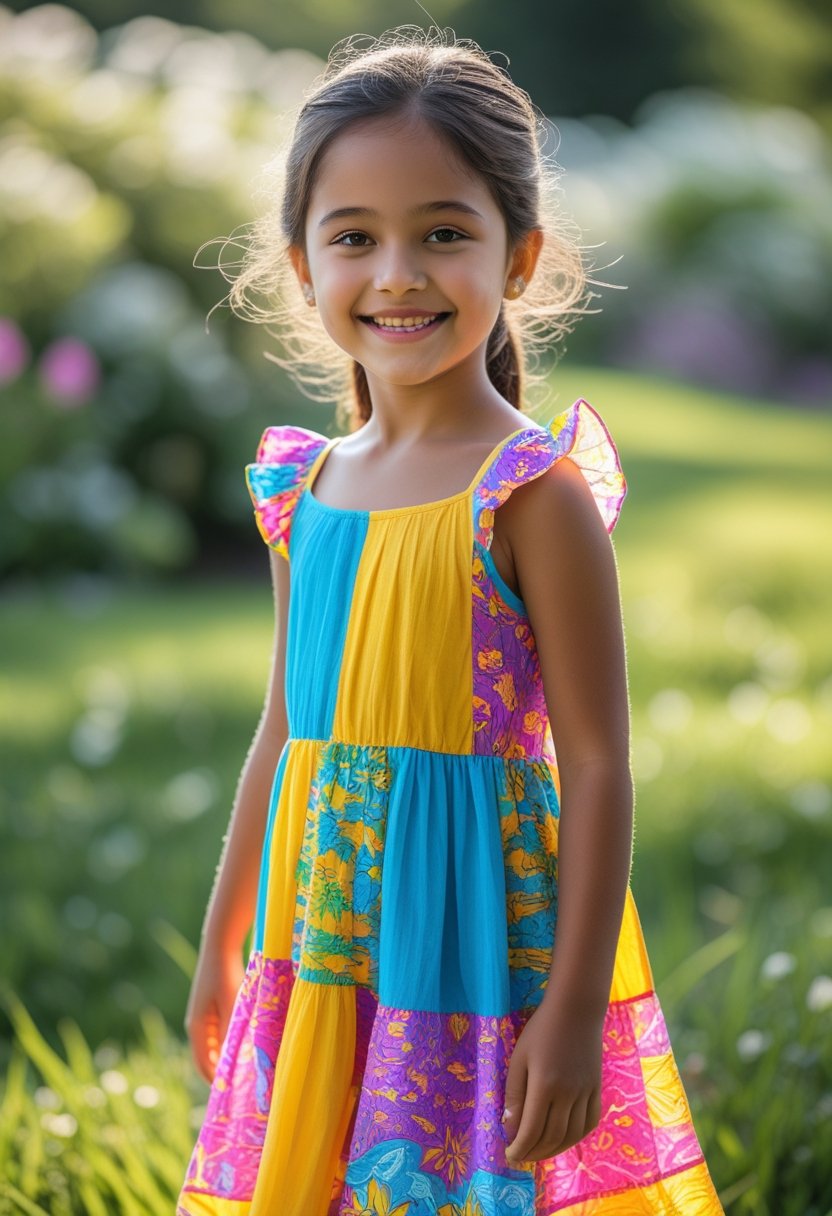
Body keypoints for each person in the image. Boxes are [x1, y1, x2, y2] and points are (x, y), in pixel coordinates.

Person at [176, 26, 724, 1216]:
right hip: (318, 930)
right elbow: (281, 730)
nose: (398, 276)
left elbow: (594, 760)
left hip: (471, 935)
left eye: (444, 233)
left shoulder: (529, 494)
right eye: (354, 239)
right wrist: (226, 940)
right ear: (301, 263)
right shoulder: (298, 488)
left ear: (518, 257)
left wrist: (574, 1008)